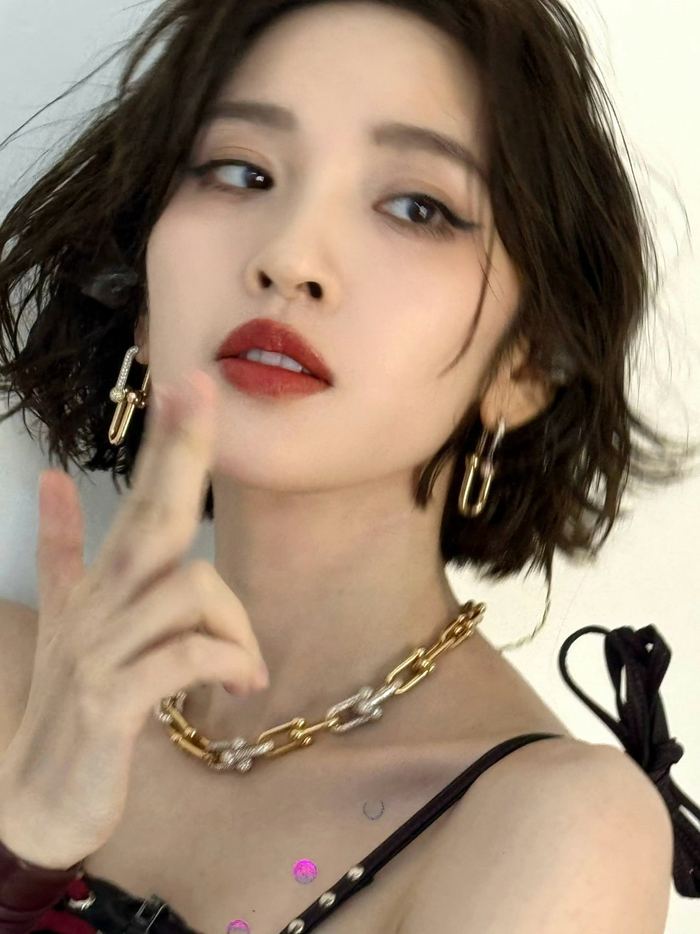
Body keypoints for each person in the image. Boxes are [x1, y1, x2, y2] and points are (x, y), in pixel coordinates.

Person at [0, 1, 698, 933]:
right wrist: (30, 834)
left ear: (525, 365)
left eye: (417, 207)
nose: (290, 258)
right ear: (142, 299)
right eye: (241, 171)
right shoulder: (13, 683)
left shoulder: (549, 827)